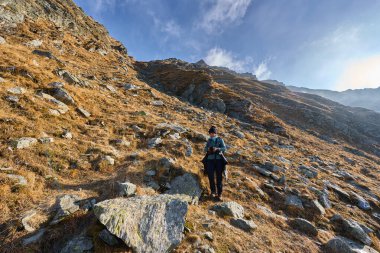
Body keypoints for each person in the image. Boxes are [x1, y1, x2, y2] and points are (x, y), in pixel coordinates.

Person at [204, 126, 227, 201]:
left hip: (219, 160)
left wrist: (217, 149)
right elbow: (205, 149)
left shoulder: (220, 140)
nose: (211, 134)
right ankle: (213, 192)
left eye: (213, 133)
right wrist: (209, 149)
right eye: (210, 133)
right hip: (210, 160)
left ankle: (220, 194)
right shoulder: (209, 140)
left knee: (219, 177)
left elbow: (224, 149)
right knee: (210, 176)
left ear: (215, 133)